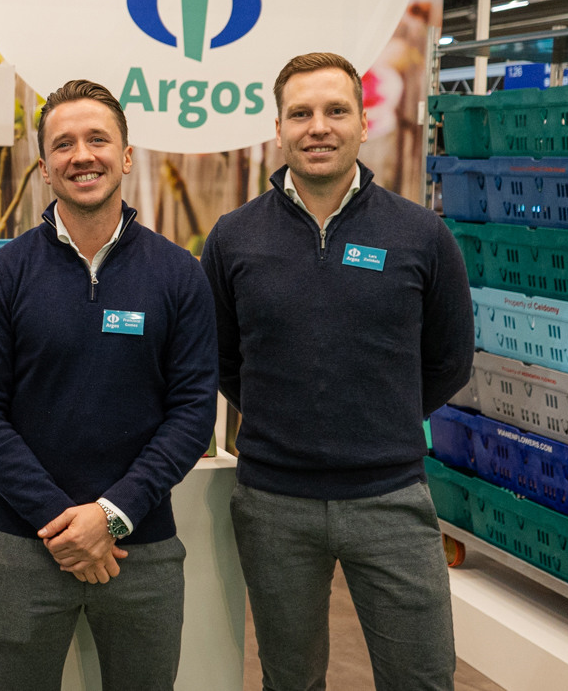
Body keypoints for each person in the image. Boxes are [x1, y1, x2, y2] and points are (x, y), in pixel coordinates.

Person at [200, 52, 474, 691]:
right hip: (273, 504)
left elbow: (449, 359)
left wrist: (382, 417)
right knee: (289, 680)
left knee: (422, 678)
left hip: (391, 497)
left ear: (363, 122)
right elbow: (222, 358)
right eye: (301, 113)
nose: (318, 127)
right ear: (279, 128)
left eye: (335, 111)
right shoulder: (234, 238)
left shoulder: (420, 234)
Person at [0, 79, 218, 691]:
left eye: (97, 139)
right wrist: (62, 521)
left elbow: (191, 415)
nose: (82, 156)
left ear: (125, 156)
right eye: (63, 144)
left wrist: (112, 516)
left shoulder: (179, 275)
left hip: (142, 550)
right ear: (45, 167)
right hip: (26, 546)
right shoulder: (4, 275)